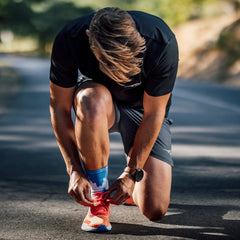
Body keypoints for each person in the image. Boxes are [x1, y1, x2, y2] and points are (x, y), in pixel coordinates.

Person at [49, 7, 178, 232]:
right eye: (110, 61)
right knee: (90, 98)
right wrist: (74, 170)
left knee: (155, 209)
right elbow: (59, 107)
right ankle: (98, 199)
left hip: (143, 111)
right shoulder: (70, 38)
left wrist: (131, 173)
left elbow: (154, 114)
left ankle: (129, 188)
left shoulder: (160, 41)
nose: (119, 72)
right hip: (100, 104)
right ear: (90, 39)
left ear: (138, 38)